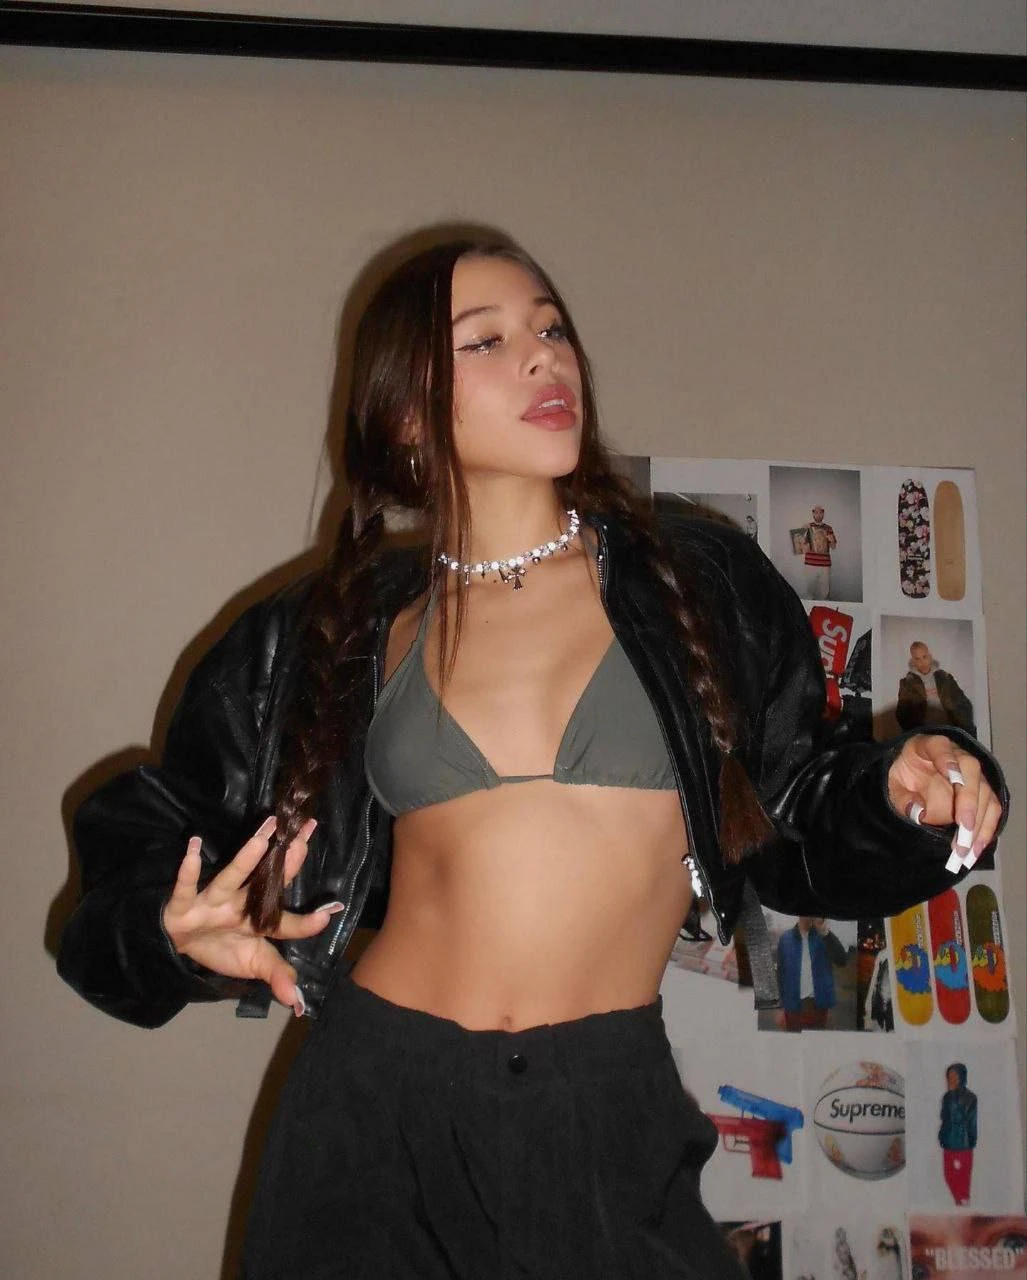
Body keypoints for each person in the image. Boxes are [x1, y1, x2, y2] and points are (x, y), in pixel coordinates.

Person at [57, 234, 1009, 1280]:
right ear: (407, 414)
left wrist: (901, 794)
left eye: (551, 327)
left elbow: (799, 805)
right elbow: (149, 836)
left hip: (602, 1106)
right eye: (486, 340)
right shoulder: (336, 626)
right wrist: (168, 928)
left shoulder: (691, 578)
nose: (541, 355)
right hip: (377, 1102)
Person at [776, 917, 848, 1031]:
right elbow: (780, 975)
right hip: (792, 1007)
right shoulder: (785, 938)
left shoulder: (824, 936)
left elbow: (842, 961)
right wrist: (780, 1008)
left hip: (818, 1006)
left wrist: (826, 934)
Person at [898, 641, 977, 736]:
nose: (922, 662)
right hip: (924, 731)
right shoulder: (907, 683)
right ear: (913, 661)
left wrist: (953, 710)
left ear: (930, 657)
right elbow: (902, 713)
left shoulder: (945, 678)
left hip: (949, 727)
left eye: (924, 657)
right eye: (917, 659)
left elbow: (964, 702)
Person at [939, 1062, 979, 1206]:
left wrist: (971, 1141)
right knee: (949, 1175)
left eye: (955, 1076)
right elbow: (944, 1117)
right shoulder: (947, 1097)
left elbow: (969, 1121)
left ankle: (963, 1202)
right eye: (949, 1076)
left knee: (963, 1176)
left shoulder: (970, 1097)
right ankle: (960, 1201)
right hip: (948, 1142)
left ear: (962, 1077)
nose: (951, 1080)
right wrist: (942, 1135)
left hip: (963, 1142)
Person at [796, 504, 837, 599]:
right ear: (813, 514)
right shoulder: (808, 526)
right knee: (809, 592)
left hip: (825, 565)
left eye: (821, 512)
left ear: (823, 514)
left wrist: (832, 540)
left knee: (825, 593)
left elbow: (833, 547)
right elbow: (799, 544)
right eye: (816, 512)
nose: (818, 514)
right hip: (810, 564)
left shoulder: (828, 528)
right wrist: (801, 530)